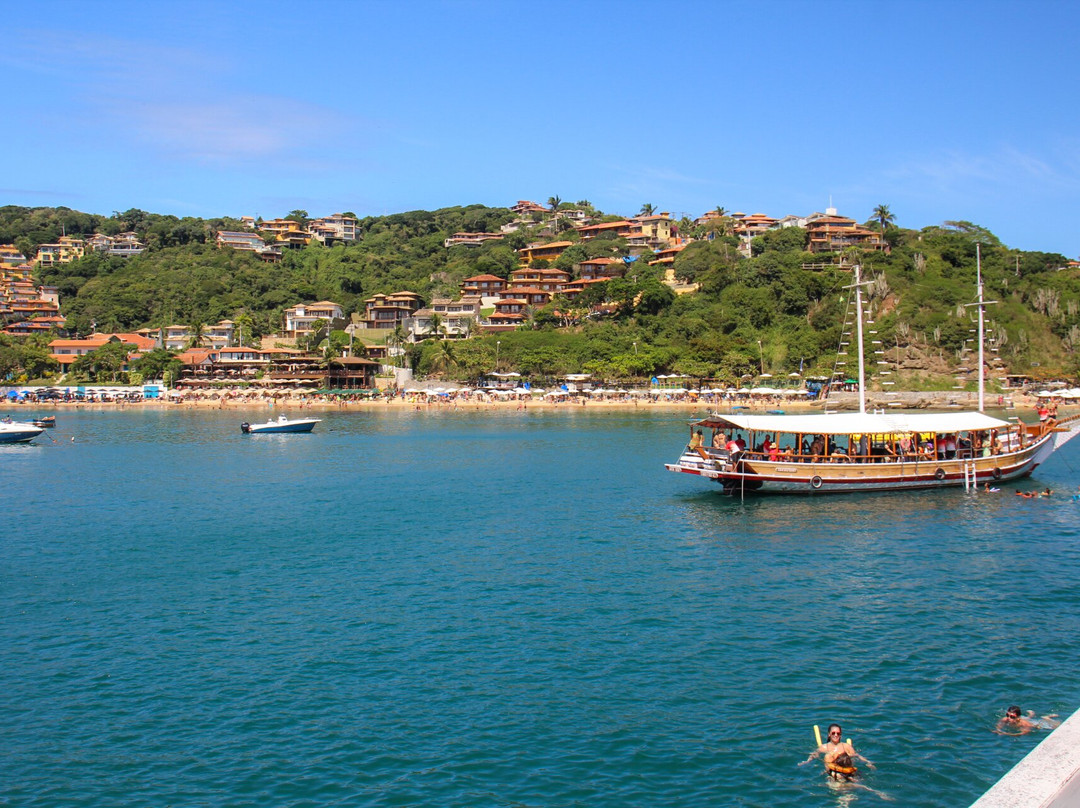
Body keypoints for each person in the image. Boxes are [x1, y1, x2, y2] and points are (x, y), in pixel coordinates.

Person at [800, 724, 875, 781]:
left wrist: (868, 762)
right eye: (833, 733)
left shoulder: (846, 746)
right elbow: (814, 755)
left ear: (840, 735)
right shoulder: (824, 747)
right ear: (829, 734)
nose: (836, 735)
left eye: (838, 733)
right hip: (833, 773)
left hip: (848, 772)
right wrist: (807, 761)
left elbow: (856, 756)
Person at [995, 706, 1060, 735]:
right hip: (1022, 720)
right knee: (1027, 718)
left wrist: (1006, 733)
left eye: (1012, 717)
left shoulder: (1024, 724)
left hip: (1036, 724)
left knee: (1057, 725)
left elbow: (1023, 733)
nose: (1008, 718)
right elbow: (999, 725)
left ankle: (1047, 718)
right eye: (1007, 715)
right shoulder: (1005, 719)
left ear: (1018, 717)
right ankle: (1030, 715)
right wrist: (998, 730)